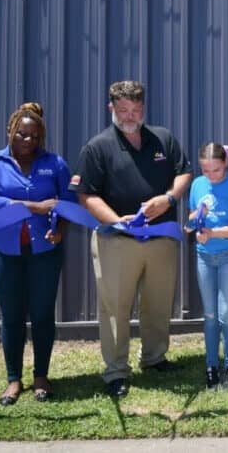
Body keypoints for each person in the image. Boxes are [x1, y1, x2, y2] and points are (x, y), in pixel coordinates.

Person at [70, 80, 191, 398]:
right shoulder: (97, 147)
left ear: (143, 108)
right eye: (123, 109)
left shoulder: (162, 138)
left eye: (136, 109)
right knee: (115, 308)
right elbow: (86, 196)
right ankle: (116, 371)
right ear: (111, 108)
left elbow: (184, 172)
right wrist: (115, 221)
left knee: (158, 303)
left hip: (161, 237)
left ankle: (154, 358)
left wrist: (169, 198)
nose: (129, 115)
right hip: (116, 241)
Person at [0, 102, 76, 405]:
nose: (27, 141)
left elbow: (67, 203)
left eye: (33, 137)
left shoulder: (55, 163)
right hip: (5, 251)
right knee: (12, 316)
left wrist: (59, 228)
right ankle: (13, 379)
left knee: (43, 314)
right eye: (21, 135)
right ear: (10, 131)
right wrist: (35, 207)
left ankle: (42, 376)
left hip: (45, 250)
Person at [186, 142, 228, 392]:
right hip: (204, 257)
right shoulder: (197, 185)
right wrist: (195, 225)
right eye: (206, 171)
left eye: (217, 170)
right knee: (210, 315)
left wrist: (210, 233)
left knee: (226, 314)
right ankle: (211, 365)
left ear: (226, 164)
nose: (211, 176)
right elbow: (192, 217)